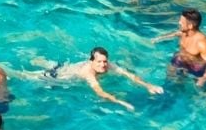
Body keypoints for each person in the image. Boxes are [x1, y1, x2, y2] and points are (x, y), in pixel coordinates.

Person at [34, 45, 162, 110]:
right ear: (91, 61)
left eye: (104, 61)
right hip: (58, 76)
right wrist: (120, 102)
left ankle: (36, 59)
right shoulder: (88, 73)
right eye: (99, 62)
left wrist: (148, 85)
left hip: (63, 66)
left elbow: (130, 75)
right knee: (30, 77)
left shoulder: (108, 65)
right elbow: (99, 91)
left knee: (41, 62)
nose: (103, 65)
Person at [161, 8, 206, 87]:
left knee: (195, 87)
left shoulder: (201, 43)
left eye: (182, 21)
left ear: (190, 26)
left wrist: (203, 79)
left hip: (196, 69)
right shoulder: (184, 32)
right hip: (182, 61)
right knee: (176, 60)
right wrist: (158, 39)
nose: (179, 22)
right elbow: (176, 34)